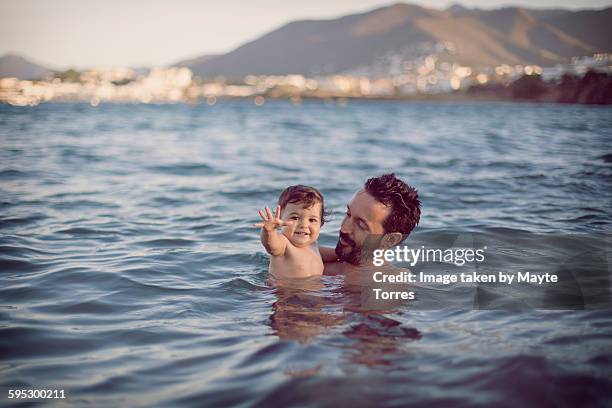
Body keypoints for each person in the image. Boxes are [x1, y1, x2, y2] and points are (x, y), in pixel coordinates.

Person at [320, 173, 421, 280]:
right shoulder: (317, 264)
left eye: (361, 225)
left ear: (390, 239)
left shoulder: (393, 283)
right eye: (348, 214)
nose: (344, 228)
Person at [254, 185, 328, 279]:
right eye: (295, 218)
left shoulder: (313, 246)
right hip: (287, 292)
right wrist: (269, 230)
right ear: (280, 219)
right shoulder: (284, 245)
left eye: (312, 220)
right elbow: (270, 245)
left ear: (321, 224)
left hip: (315, 291)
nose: (304, 225)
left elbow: (337, 255)